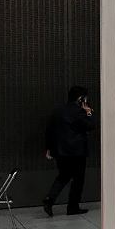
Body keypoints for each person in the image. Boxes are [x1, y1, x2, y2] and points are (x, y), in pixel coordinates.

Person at [43, 86, 96, 216]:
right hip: (76, 151)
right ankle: (73, 207)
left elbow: (49, 130)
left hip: (60, 151)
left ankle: (50, 199)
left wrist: (49, 148)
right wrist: (89, 112)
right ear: (80, 98)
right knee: (78, 179)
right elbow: (90, 125)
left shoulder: (58, 110)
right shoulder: (79, 111)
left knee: (63, 176)